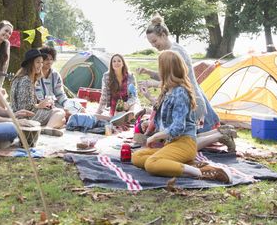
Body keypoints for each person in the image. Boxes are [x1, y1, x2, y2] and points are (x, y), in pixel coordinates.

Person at [132, 50, 231, 183]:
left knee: (151, 164)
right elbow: (163, 114)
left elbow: (178, 127)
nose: (158, 71)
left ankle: (201, 172)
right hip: (171, 143)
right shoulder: (168, 89)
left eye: (160, 67)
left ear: (167, 69)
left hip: (184, 144)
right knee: (137, 156)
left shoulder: (180, 92)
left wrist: (155, 136)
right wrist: (148, 97)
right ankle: (189, 165)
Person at [137, 14, 221, 133]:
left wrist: (151, 83)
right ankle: (219, 134)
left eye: (155, 41)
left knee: (186, 139)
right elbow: (167, 76)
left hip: (191, 102)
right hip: (187, 99)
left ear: (164, 35)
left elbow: (173, 81)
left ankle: (221, 134)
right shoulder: (171, 50)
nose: (154, 45)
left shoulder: (175, 53)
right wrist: (148, 72)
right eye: (151, 43)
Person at [10, 48, 66, 135]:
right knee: (60, 113)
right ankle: (46, 129)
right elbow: (24, 108)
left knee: (62, 120)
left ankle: (45, 128)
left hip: (26, 113)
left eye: (41, 62)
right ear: (30, 63)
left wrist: (42, 104)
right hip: (25, 116)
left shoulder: (22, 77)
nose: (41, 65)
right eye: (38, 62)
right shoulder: (26, 80)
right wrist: (39, 105)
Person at [95, 53, 143, 125]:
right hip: (116, 107)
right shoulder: (106, 77)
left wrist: (127, 104)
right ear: (111, 64)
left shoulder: (130, 77)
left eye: (119, 61)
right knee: (119, 114)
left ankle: (131, 115)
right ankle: (124, 118)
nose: (116, 63)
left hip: (129, 105)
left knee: (134, 107)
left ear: (123, 63)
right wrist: (98, 112)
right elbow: (104, 97)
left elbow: (134, 96)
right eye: (114, 61)